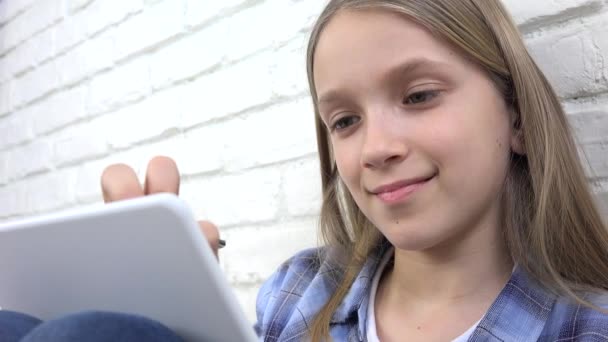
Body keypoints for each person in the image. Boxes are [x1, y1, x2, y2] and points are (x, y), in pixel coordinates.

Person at [2, 0, 608, 341]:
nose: (375, 148)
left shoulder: (583, 327)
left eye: (419, 95)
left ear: (518, 118)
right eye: (344, 121)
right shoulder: (301, 290)